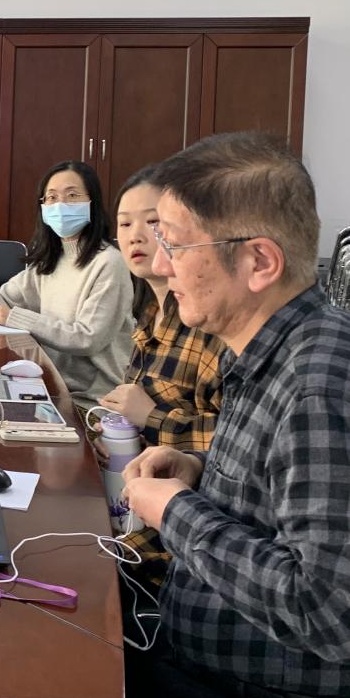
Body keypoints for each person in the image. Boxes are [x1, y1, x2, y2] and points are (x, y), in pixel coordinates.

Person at [122, 132, 350, 698]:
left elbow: (327, 612)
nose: (162, 264)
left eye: (175, 244)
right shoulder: (259, 348)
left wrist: (174, 511)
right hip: (190, 648)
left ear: (259, 261)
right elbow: (281, 497)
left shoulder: (317, 384)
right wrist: (198, 471)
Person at [100, 165, 226, 591]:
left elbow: (237, 447)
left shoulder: (208, 326)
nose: (136, 236)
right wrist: (118, 433)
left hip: (168, 535)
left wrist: (152, 418)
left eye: (153, 222)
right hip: (129, 496)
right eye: (124, 224)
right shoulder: (150, 314)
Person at [0, 160, 132, 408]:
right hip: (47, 382)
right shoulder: (50, 258)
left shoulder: (109, 263)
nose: (60, 205)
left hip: (91, 401)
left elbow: (87, 338)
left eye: (72, 195)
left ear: (93, 202)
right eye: (52, 197)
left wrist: (16, 317)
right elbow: (7, 297)